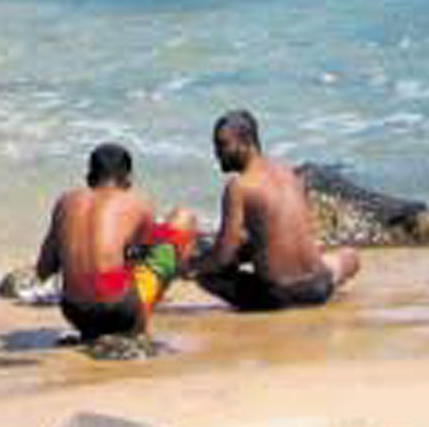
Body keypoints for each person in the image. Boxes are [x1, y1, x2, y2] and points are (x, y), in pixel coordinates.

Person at [193, 109, 361, 311]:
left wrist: (189, 266)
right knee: (350, 256)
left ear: (246, 143)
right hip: (320, 286)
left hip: (282, 296)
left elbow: (223, 258)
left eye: (223, 145)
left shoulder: (239, 186)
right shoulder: (288, 172)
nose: (217, 153)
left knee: (207, 276)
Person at [35, 141, 196, 341]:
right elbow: (146, 254)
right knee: (183, 219)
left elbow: (43, 269)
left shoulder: (65, 202)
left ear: (89, 176)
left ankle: (98, 326)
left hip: (75, 312)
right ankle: (140, 323)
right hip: (118, 312)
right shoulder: (137, 202)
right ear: (128, 178)